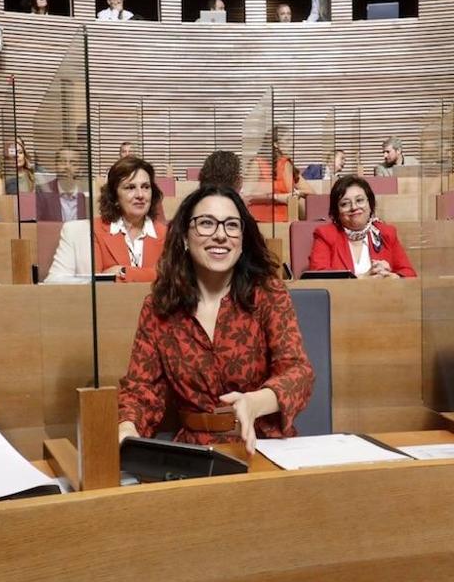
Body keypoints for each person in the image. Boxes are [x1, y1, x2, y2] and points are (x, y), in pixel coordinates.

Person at [117, 184, 314, 453]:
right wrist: (127, 428)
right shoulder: (159, 306)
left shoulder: (268, 294)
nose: (221, 235)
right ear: (185, 236)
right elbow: (142, 390)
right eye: (206, 223)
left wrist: (254, 402)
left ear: (242, 239)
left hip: (262, 444)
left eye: (232, 225)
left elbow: (298, 372)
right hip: (194, 452)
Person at [48, 156, 167, 283]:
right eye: (130, 188)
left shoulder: (168, 234)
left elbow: (178, 280)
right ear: (114, 196)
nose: (140, 195)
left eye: (145, 187)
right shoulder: (82, 232)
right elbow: (54, 282)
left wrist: (123, 272)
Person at [307, 176, 416, 278]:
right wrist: (362, 279)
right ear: (336, 211)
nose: (354, 207)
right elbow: (319, 279)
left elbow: (409, 275)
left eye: (359, 200)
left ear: (370, 204)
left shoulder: (386, 233)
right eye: (345, 204)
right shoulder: (326, 235)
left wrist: (393, 277)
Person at [248, 126, 308, 223]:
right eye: (288, 141)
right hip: (260, 219)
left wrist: (297, 193)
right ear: (276, 144)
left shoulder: (286, 164)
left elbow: (309, 191)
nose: (292, 145)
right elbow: (248, 195)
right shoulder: (257, 163)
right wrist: (276, 197)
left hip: (284, 219)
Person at [36, 147, 88, 222]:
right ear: (55, 165)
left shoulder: (85, 194)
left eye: (73, 163)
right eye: (63, 162)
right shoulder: (42, 192)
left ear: (80, 168)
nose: (67, 167)